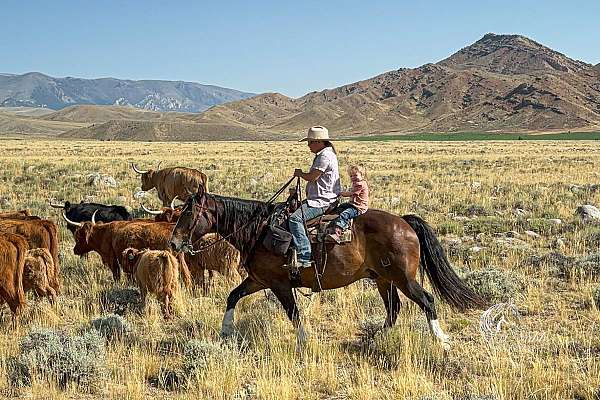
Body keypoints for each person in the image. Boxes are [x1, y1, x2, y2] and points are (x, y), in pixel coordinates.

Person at [289, 126, 341, 268]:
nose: (308, 145)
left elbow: (313, 177)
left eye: (311, 142)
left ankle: (304, 255)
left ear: (319, 142)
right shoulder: (326, 154)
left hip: (321, 201)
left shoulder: (324, 156)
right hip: (322, 198)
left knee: (295, 219)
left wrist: (300, 174)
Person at [327, 165, 369, 243]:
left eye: (355, 175)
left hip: (358, 207)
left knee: (345, 214)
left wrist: (340, 193)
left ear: (362, 175)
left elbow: (352, 194)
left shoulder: (360, 184)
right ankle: (332, 224)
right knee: (341, 207)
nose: (353, 177)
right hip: (353, 204)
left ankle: (338, 231)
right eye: (351, 176)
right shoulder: (356, 183)